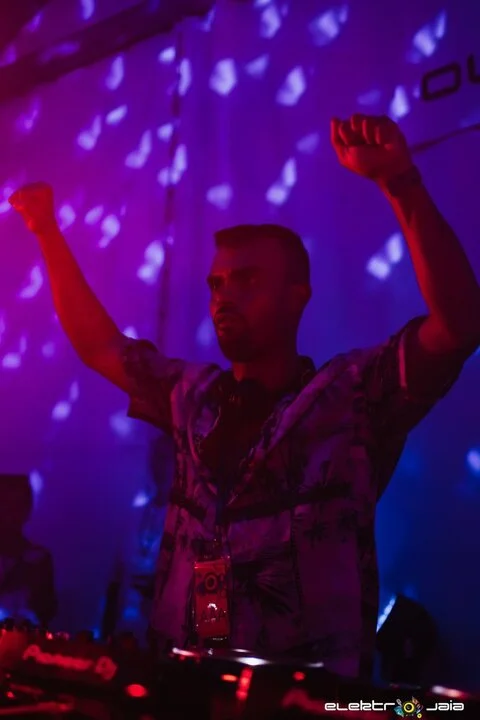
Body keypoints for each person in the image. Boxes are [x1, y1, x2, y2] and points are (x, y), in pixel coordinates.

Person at [9, 114, 480, 679]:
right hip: (187, 687)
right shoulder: (194, 397)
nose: (224, 297)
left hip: (308, 700)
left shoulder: (349, 396)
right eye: (216, 284)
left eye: (247, 280)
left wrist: (400, 182)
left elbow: (458, 326)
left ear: (297, 296)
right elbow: (101, 346)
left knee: (414, 713)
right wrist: (46, 232)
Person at [0, 474, 57, 626]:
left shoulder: (39, 560)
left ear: (27, 509)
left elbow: (47, 611)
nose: (9, 515)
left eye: (16, 506)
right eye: (4, 504)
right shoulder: (39, 558)